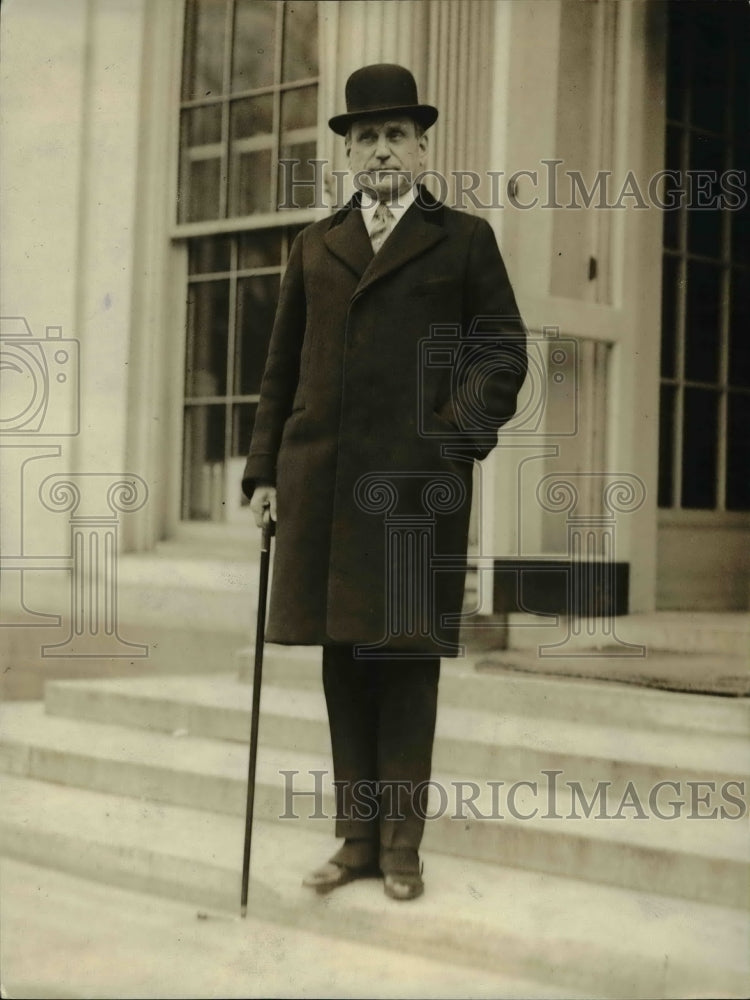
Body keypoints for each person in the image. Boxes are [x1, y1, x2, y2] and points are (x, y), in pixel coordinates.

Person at [244, 63, 526, 901]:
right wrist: (264, 472)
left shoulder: (463, 238)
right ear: (348, 152)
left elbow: (502, 354)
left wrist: (452, 442)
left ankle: (402, 849)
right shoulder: (314, 244)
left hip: (414, 493)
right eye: (365, 137)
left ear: (422, 148)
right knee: (345, 662)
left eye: (396, 135)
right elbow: (280, 368)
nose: (380, 151)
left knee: (404, 665)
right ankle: (357, 840)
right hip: (325, 489)